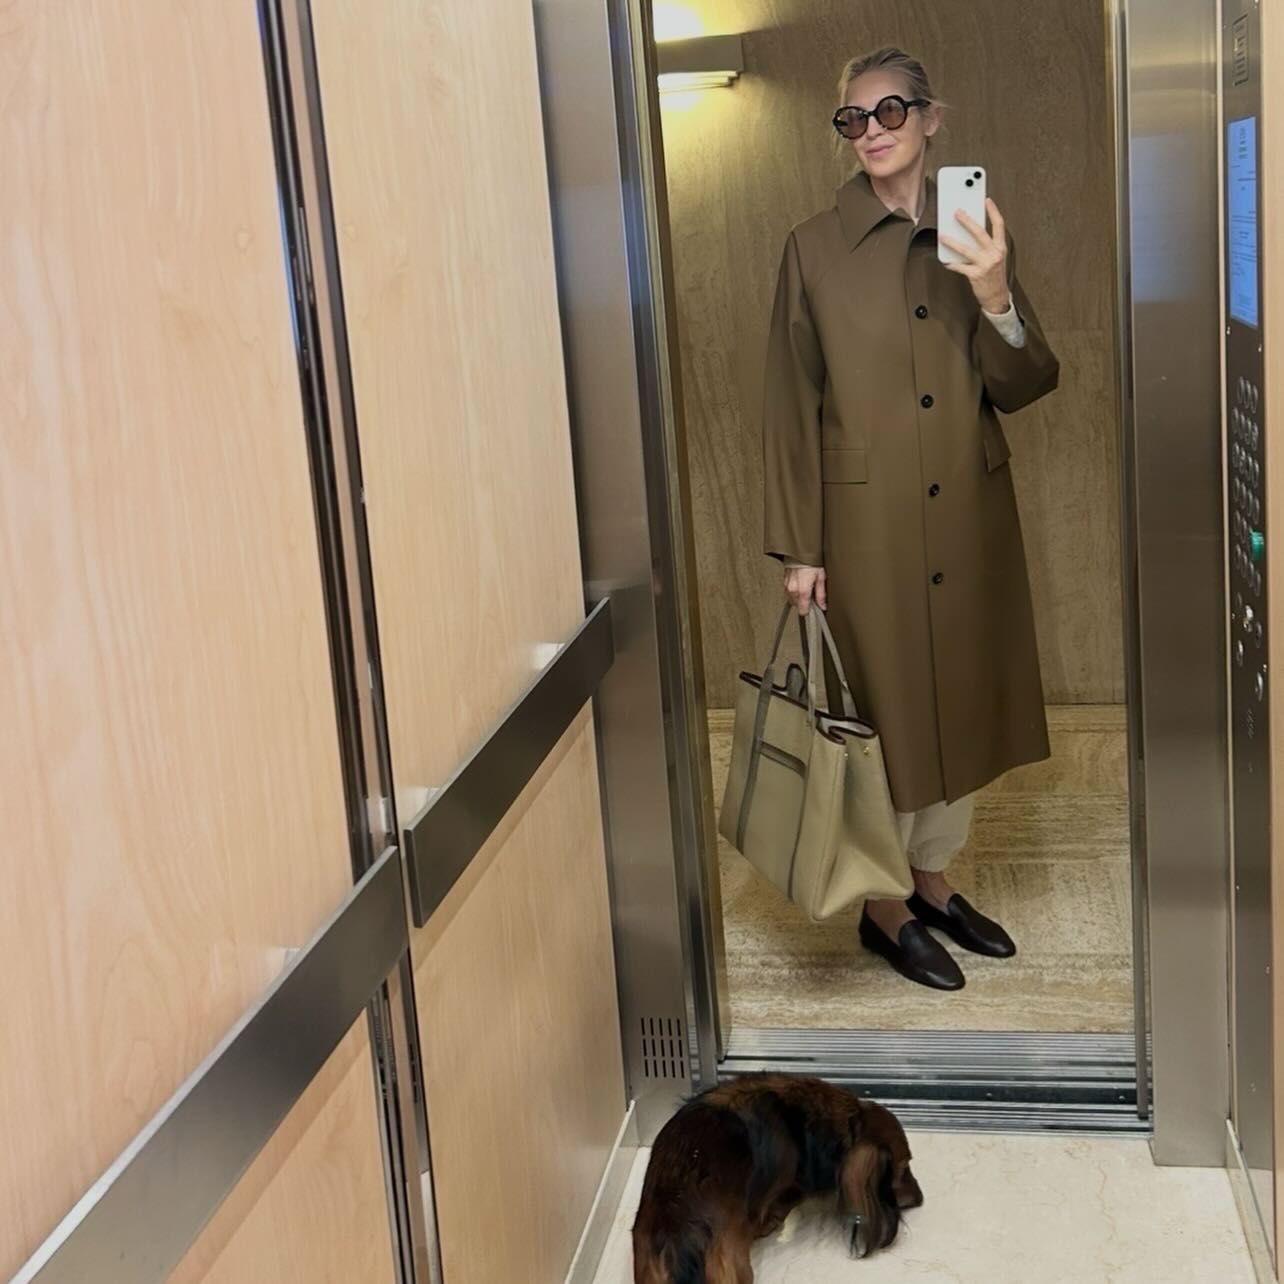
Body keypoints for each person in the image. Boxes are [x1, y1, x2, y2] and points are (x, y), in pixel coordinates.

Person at [761, 46, 1060, 991]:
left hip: (967, 512)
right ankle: (883, 909)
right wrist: (800, 548)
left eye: (891, 111)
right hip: (864, 528)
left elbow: (1026, 382)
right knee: (882, 715)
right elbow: (789, 403)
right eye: (854, 119)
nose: (873, 131)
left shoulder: (974, 233)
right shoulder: (812, 248)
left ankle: (931, 882)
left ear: (933, 119)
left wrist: (996, 291)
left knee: (957, 702)